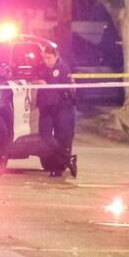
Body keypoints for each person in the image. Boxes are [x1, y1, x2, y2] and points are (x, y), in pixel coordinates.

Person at [36, 44, 77, 177]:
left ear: (56, 56)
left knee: (61, 138)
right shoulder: (41, 68)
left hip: (61, 108)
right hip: (45, 108)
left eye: (49, 58)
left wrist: (47, 86)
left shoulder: (63, 68)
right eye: (44, 58)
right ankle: (68, 159)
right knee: (45, 136)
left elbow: (66, 88)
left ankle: (58, 168)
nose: (46, 61)